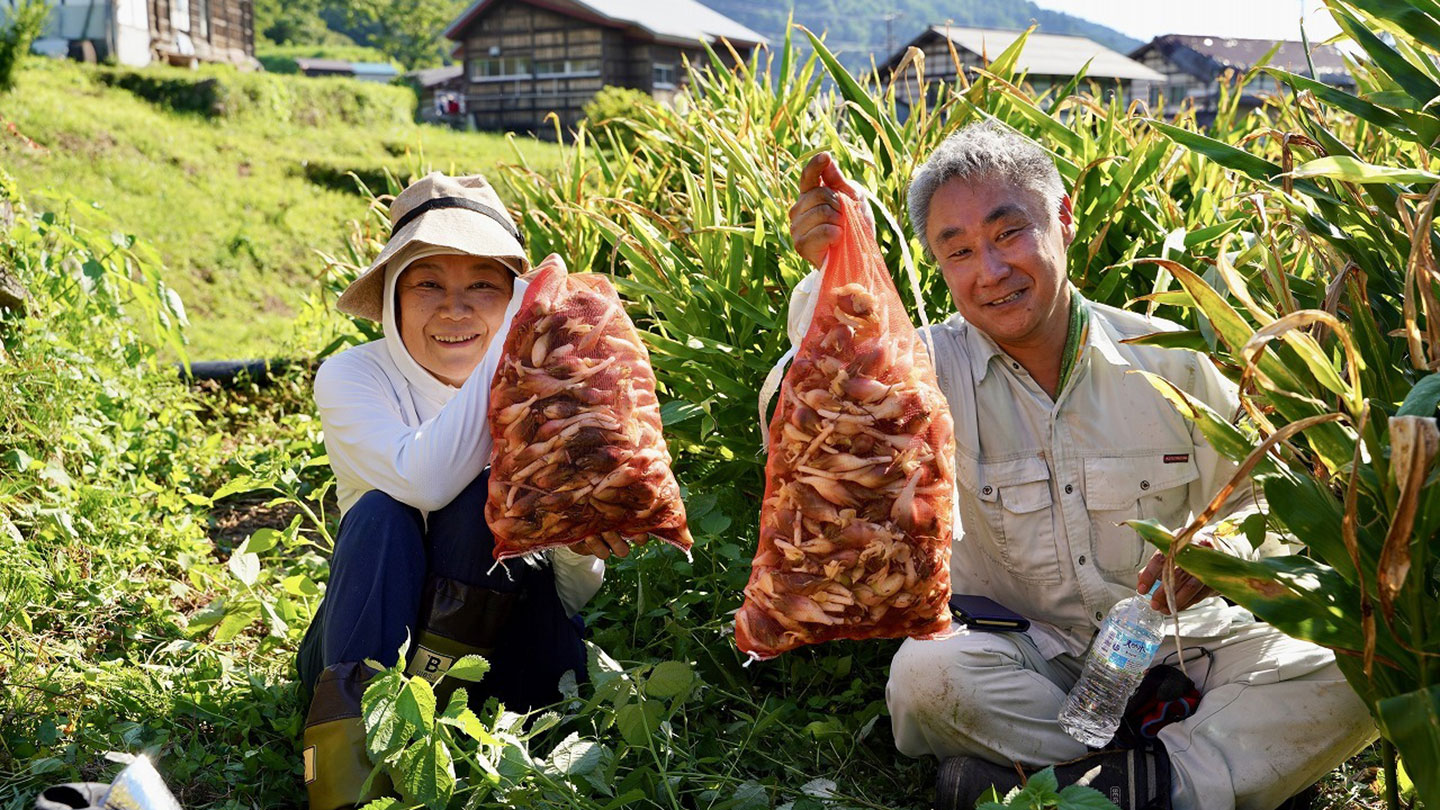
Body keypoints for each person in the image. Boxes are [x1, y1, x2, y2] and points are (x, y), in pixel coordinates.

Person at [787, 123, 1376, 810]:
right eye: (960, 251)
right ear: (940, 266)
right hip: (1034, 660)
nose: (991, 271)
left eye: (1010, 234)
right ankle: (1197, 781)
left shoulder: (1172, 357)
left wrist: (1217, 549)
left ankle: (1069, 792)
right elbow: (820, 417)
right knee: (928, 679)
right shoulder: (920, 371)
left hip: (1183, 650)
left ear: (1063, 220)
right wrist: (831, 272)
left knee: (1366, 660)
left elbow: (1265, 501)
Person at [295, 172, 635, 810]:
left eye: (483, 285)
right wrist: (511, 356)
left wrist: (571, 540)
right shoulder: (353, 376)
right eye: (428, 283)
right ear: (393, 295)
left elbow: (571, 590)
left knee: (490, 507)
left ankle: (446, 726)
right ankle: (350, 781)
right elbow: (426, 480)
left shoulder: (562, 388)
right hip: (368, 645)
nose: (455, 309)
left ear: (511, 297)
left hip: (503, 660)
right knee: (379, 515)